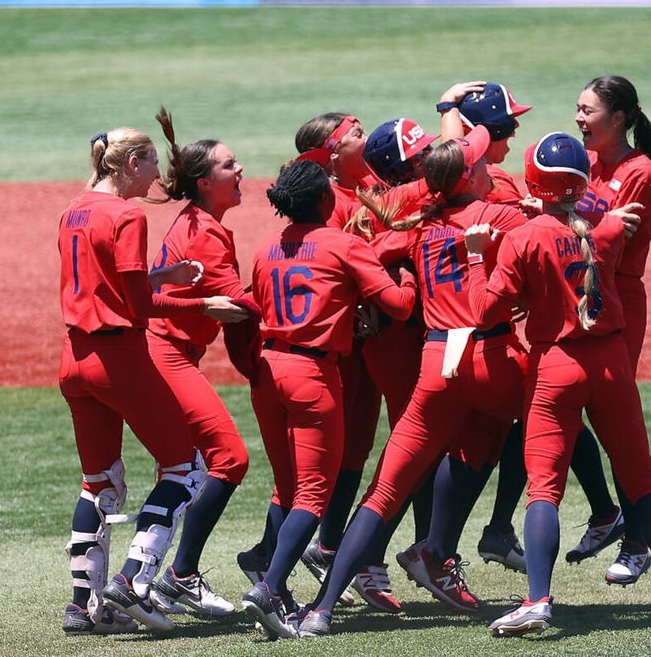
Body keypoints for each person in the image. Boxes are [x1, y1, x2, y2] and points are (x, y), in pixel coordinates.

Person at [463, 132, 651, 636]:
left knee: (544, 491)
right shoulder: (609, 228)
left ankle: (537, 601)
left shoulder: (522, 238)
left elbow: (485, 310)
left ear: (534, 182)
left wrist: (475, 258)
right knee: (643, 485)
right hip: (612, 363)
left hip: (556, 367)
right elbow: (595, 233)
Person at [296, 126, 529, 636]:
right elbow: (555, 245)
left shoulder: (417, 227)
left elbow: (367, 254)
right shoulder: (499, 217)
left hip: (434, 363)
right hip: (487, 357)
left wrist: (375, 292)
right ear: (467, 175)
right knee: (550, 422)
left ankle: (322, 609)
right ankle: (491, 551)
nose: (489, 164)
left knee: (384, 492)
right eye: (480, 161)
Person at [57, 126, 246, 634]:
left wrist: (163, 277)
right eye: (151, 164)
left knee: (100, 484)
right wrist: (202, 303)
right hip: (118, 357)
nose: (159, 175)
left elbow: (108, 283)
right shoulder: (126, 214)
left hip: (73, 359)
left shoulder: (74, 208)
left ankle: (82, 608)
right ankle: (135, 578)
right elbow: (137, 307)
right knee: (183, 469)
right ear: (131, 163)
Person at [241, 160, 416, 640]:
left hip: (267, 372)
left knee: (286, 488)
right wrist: (406, 275)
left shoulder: (263, 251)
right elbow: (399, 307)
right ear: (325, 202)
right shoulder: (344, 244)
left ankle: (264, 567)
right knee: (315, 495)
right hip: (313, 376)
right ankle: (271, 588)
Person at [562, 76, 651, 585]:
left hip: (616, 296)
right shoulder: (585, 160)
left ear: (619, 118)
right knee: (554, 401)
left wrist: (569, 231)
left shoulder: (638, 172)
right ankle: (605, 513)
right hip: (575, 289)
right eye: (576, 108)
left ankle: (637, 541)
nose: (578, 118)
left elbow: (607, 247)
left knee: (614, 418)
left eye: (588, 110)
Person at [142, 109, 252, 618]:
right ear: (207, 183)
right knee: (229, 459)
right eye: (231, 166)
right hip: (167, 356)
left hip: (163, 352)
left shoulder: (197, 219)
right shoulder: (206, 231)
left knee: (184, 470)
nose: (241, 170)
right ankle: (179, 577)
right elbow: (240, 305)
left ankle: (133, 582)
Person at [439, 80, 535, 572]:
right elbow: (543, 241)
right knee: (545, 412)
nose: (514, 134)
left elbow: (454, 148)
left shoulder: (436, 188)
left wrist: (447, 105)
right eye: (510, 125)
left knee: (463, 445)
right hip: (486, 342)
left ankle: (438, 549)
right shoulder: (495, 191)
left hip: (444, 341)